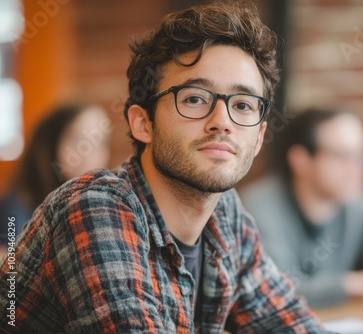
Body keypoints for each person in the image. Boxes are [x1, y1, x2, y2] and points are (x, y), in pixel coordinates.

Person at [0, 3, 326, 333]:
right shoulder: (95, 208)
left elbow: (292, 324)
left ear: (258, 138)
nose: (222, 122)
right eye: (195, 98)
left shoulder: (227, 218)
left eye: (242, 105)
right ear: (144, 123)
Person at [240, 107, 363, 307]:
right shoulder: (260, 206)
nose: (357, 167)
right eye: (342, 156)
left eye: (361, 155)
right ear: (300, 160)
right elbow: (274, 290)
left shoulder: (358, 205)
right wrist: (355, 284)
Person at [0, 102, 111, 255]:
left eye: (100, 142)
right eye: (77, 140)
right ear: (51, 143)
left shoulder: (101, 207)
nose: (88, 153)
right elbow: (10, 273)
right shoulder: (15, 208)